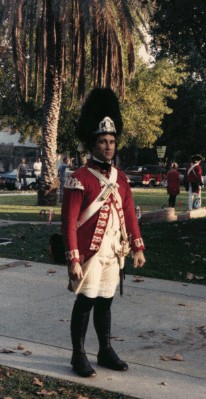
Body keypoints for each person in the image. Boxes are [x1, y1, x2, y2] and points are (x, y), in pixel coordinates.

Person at [61, 88, 146, 378]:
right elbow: (69, 222)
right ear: (93, 144)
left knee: (106, 300)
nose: (108, 146)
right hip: (89, 253)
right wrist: (73, 257)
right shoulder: (79, 179)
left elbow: (130, 213)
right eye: (103, 141)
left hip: (113, 251)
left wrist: (137, 246)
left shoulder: (120, 179)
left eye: (111, 141)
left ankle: (105, 350)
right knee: (86, 300)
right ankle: (78, 354)